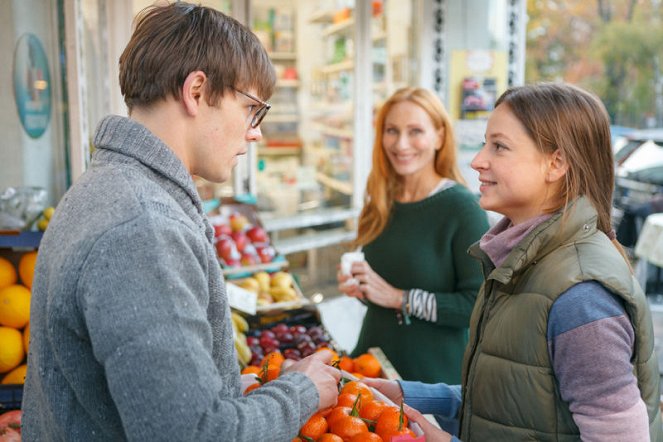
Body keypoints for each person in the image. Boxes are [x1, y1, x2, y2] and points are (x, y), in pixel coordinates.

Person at [22, 3, 341, 441]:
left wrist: (229, 392)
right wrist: (301, 391)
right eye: (251, 109)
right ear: (195, 91)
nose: (256, 132)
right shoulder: (142, 231)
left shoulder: (104, 188)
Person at [362, 82, 663, 442]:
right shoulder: (522, 261)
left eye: (499, 147)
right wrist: (415, 395)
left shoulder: (581, 298)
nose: (477, 161)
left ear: (556, 163)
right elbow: (516, 404)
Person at [337, 87, 489, 389]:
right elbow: (385, 289)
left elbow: (478, 307)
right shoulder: (379, 200)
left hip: (430, 382)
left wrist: (398, 298)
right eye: (392, 130)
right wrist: (362, 287)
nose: (401, 143)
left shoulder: (462, 208)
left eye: (415, 131)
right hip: (372, 365)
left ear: (439, 137)